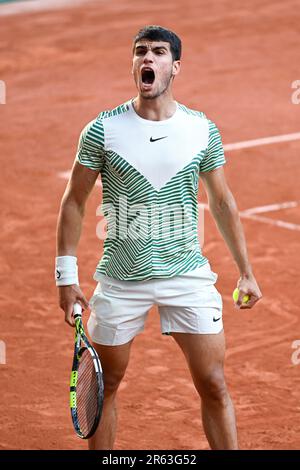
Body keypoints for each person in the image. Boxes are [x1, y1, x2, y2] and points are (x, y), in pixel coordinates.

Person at [56, 25, 262, 450]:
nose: (147, 58)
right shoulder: (102, 130)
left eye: (158, 52)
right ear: (134, 63)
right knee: (106, 383)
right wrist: (66, 276)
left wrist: (246, 272)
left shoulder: (201, 128)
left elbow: (222, 201)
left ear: (176, 66)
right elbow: (74, 201)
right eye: (140, 52)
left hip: (186, 274)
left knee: (214, 382)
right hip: (120, 277)